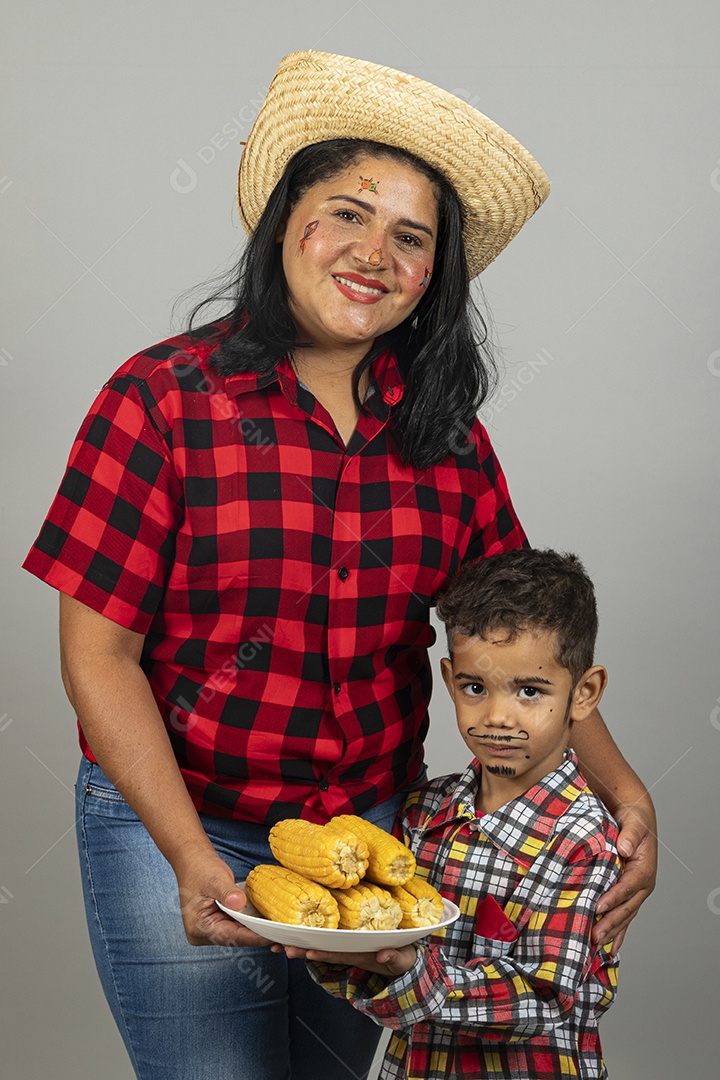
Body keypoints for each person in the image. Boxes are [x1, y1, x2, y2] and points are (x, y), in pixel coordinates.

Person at [22, 50, 655, 1080]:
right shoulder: (160, 401)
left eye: (411, 237)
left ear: (434, 275)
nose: (374, 254)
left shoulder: (448, 439)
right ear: (286, 225)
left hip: (369, 836)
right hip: (174, 814)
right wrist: (188, 855)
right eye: (347, 215)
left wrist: (626, 796)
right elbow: (100, 658)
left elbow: (526, 641)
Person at [292, 548, 623, 1079]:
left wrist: (413, 970)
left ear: (584, 693)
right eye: (475, 687)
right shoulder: (422, 813)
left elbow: (542, 999)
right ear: (448, 681)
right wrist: (334, 949)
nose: (497, 716)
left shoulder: (584, 839)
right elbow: (377, 968)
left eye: (530, 691)